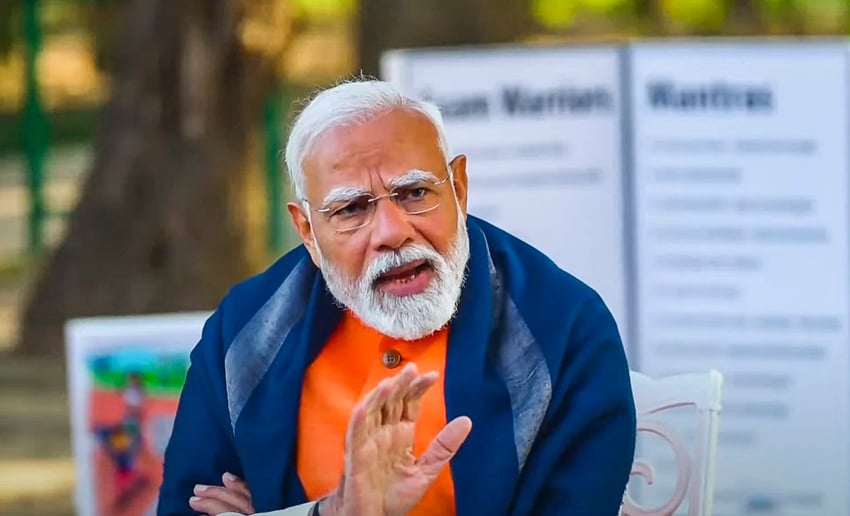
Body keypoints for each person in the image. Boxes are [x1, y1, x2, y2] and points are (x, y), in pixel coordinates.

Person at [157, 78, 636, 516]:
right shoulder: (244, 332)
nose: (392, 232)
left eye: (413, 193)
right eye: (351, 208)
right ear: (307, 232)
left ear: (460, 189)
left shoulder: (565, 329)